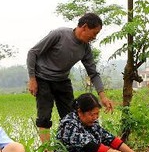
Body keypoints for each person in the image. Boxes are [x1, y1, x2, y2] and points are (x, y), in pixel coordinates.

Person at [27, 12, 115, 143]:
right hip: (43, 78)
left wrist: (103, 96)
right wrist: (32, 79)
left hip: (62, 80)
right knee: (44, 117)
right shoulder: (59, 34)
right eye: (94, 33)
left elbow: (93, 73)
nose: (94, 37)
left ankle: (67, 148)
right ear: (84, 27)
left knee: (71, 117)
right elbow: (33, 52)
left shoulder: (85, 48)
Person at [52, 93, 144, 152]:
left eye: (97, 114)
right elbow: (93, 147)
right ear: (80, 112)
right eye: (92, 114)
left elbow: (111, 139)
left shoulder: (92, 123)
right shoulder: (69, 125)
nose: (95, 117)